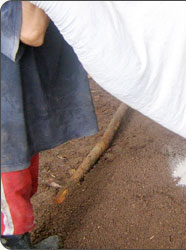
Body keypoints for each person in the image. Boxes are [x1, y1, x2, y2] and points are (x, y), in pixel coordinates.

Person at [1, 2, 98, 248]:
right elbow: (32, 31)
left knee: (23, 172)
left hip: (14, 91)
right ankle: (13, 244)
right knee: (10, 182)